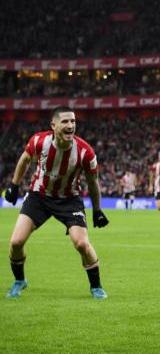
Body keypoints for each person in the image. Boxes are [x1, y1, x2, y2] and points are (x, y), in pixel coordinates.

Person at [3, 106, 109, 299]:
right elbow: (25, 159)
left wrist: (97, 210)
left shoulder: (85, 152)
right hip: (39, 197)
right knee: (16, 242)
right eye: (66, 121)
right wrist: (14, 185)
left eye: (73, 122)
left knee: (82, 244)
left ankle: (96, 287)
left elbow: (93, 183)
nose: (71, 125)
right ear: (54, 125)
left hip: (69, 200)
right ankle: (20, 281)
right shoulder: (39, 141)